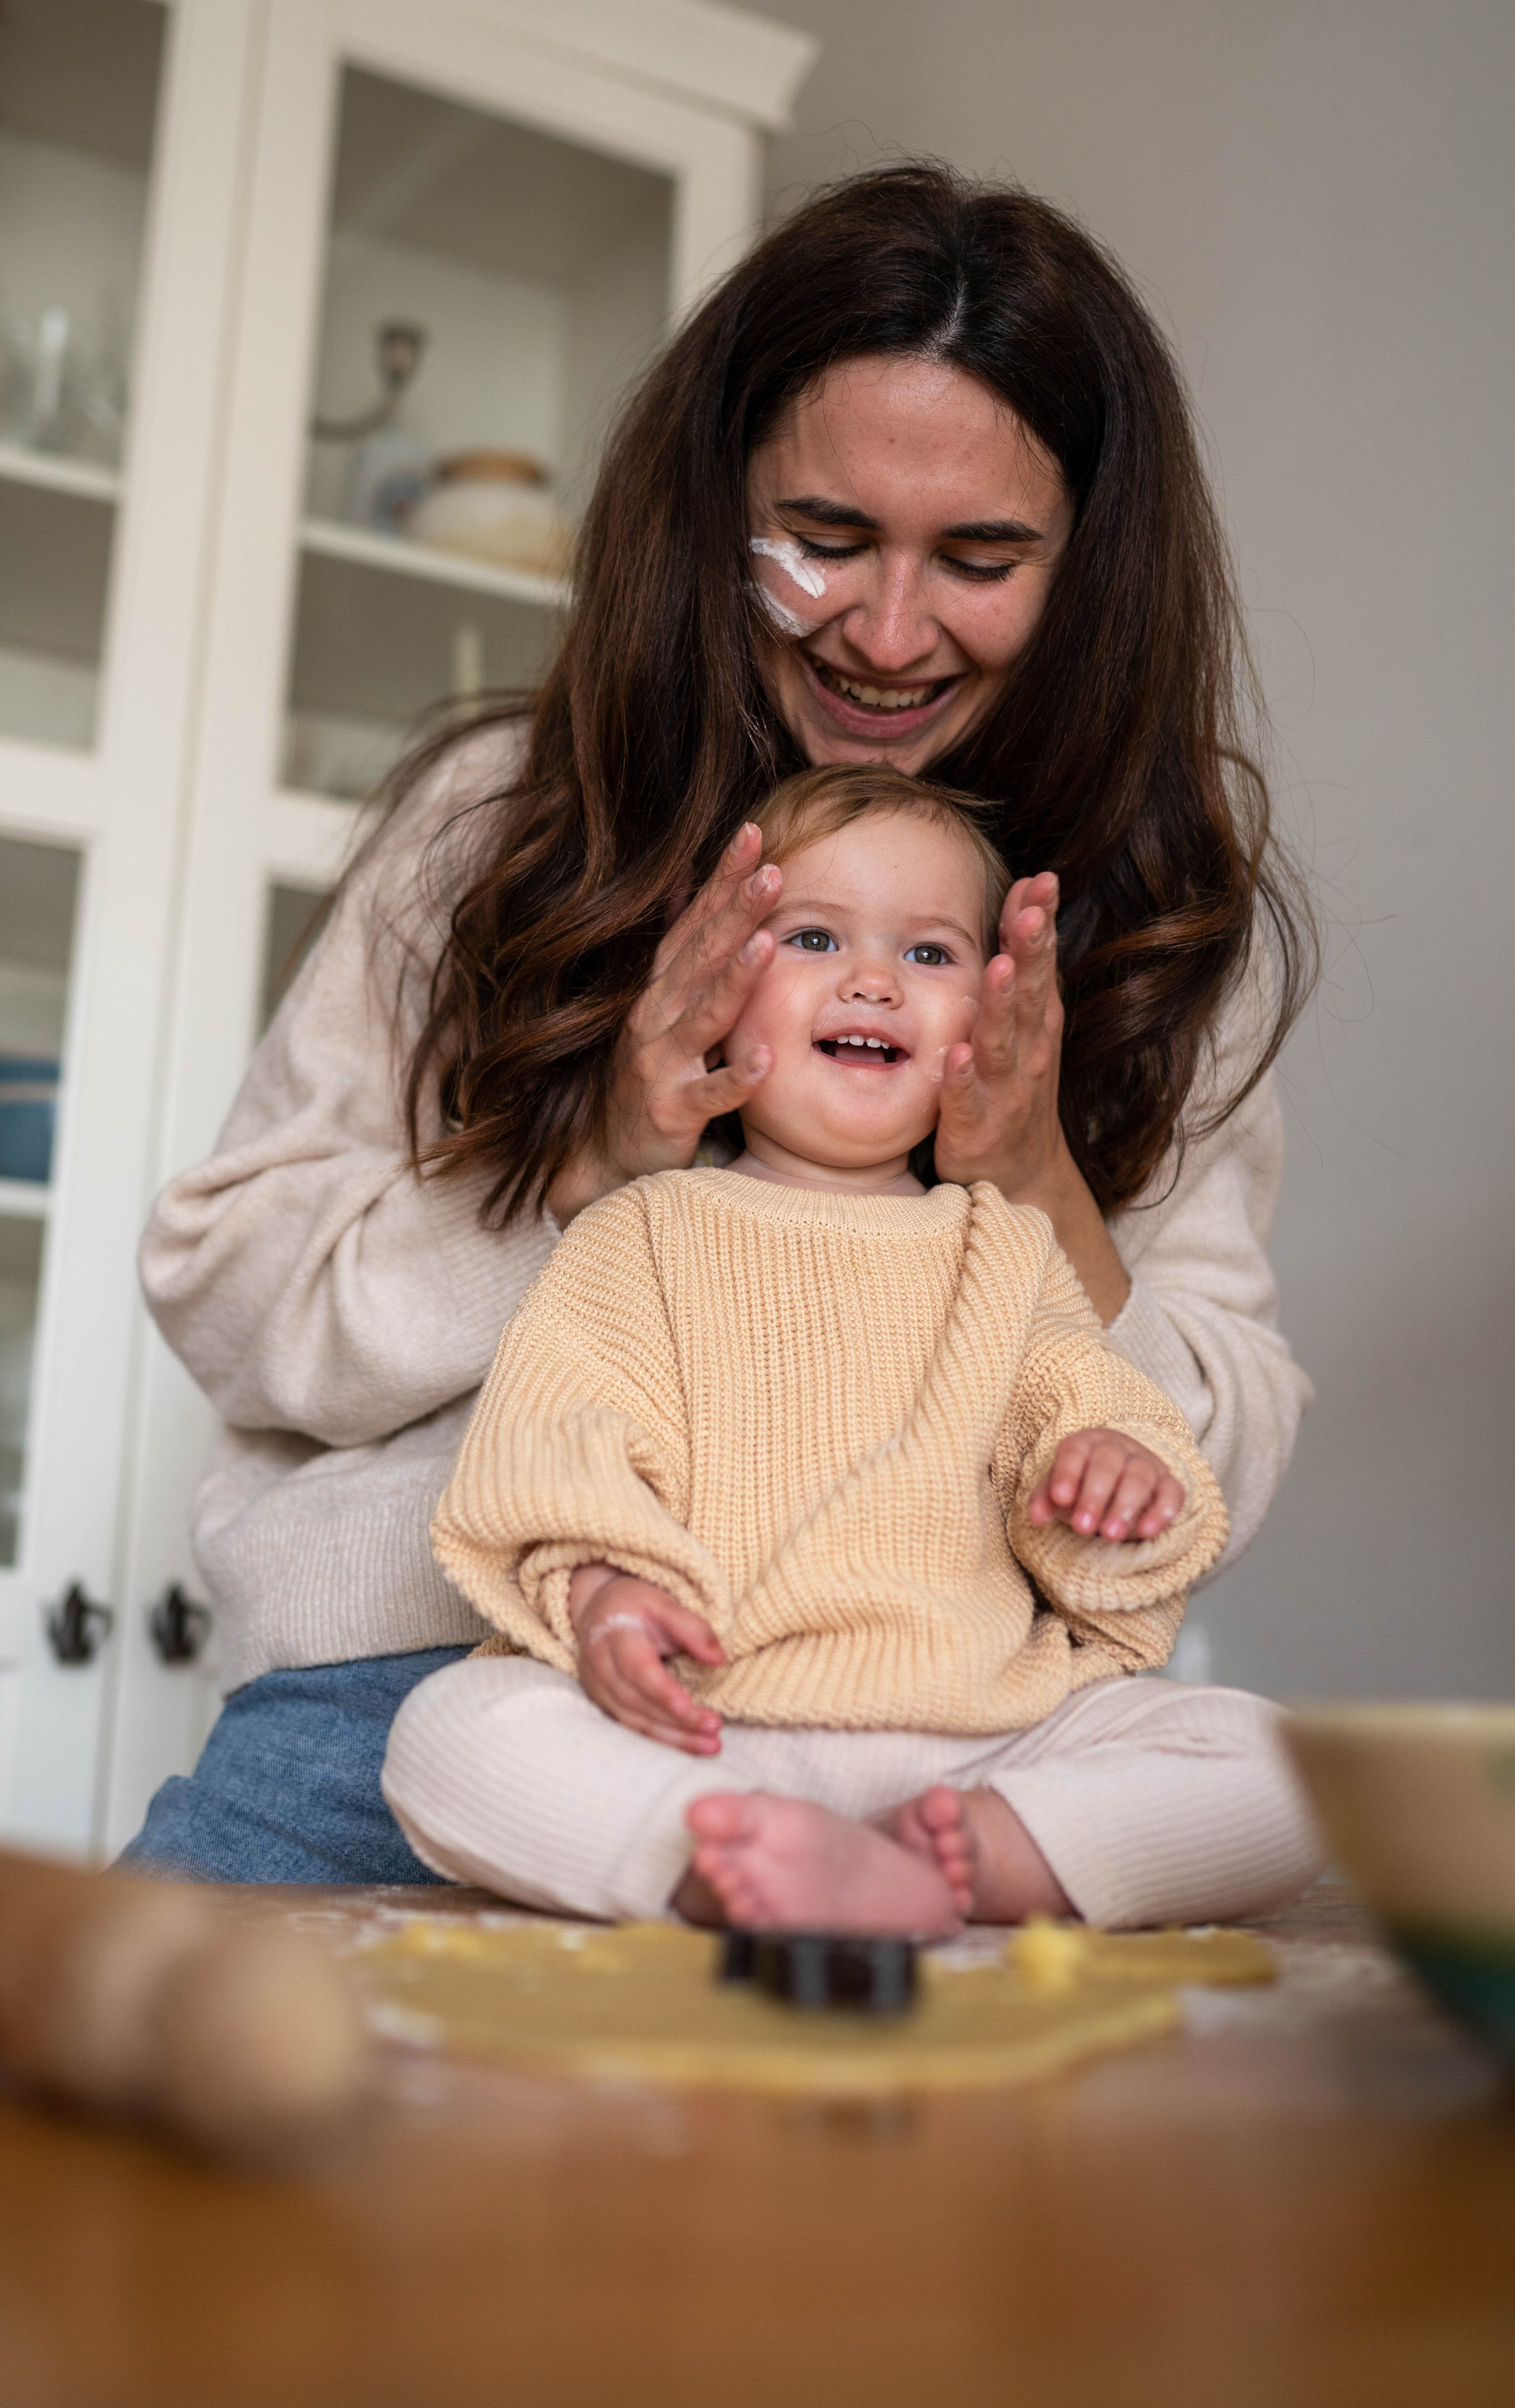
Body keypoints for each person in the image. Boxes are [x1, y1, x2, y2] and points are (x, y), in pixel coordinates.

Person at [124, 160, 1314, 1886]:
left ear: (1087, 570)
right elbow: (232, 1294)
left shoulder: (1154, 915)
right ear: (711, 511)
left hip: (957, 1707)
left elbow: (1220, 1447)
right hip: (435, 1678)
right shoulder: (499, 819)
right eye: (820, 542)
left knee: (1268, 1781)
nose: (885, 633)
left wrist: (1032, 1181)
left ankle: (917, 1878)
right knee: (109, 2125)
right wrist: (601, 1153)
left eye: (976, 559)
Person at [381, 766, 1323, 1935]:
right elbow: (561, 1445)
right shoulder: (644, 1228)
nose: (875, 980)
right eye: (816, 936)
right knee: (449, 1734)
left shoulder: (1010, 1252)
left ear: (989, 1023)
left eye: (929, 956)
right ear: (719, 990)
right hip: (707, 1730)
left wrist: (1111, 1478)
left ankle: (958, 1860)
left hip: (982, 1740)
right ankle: (724, 1851)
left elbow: (1099, 1429)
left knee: (1276, 1759)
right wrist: (608, 1598)